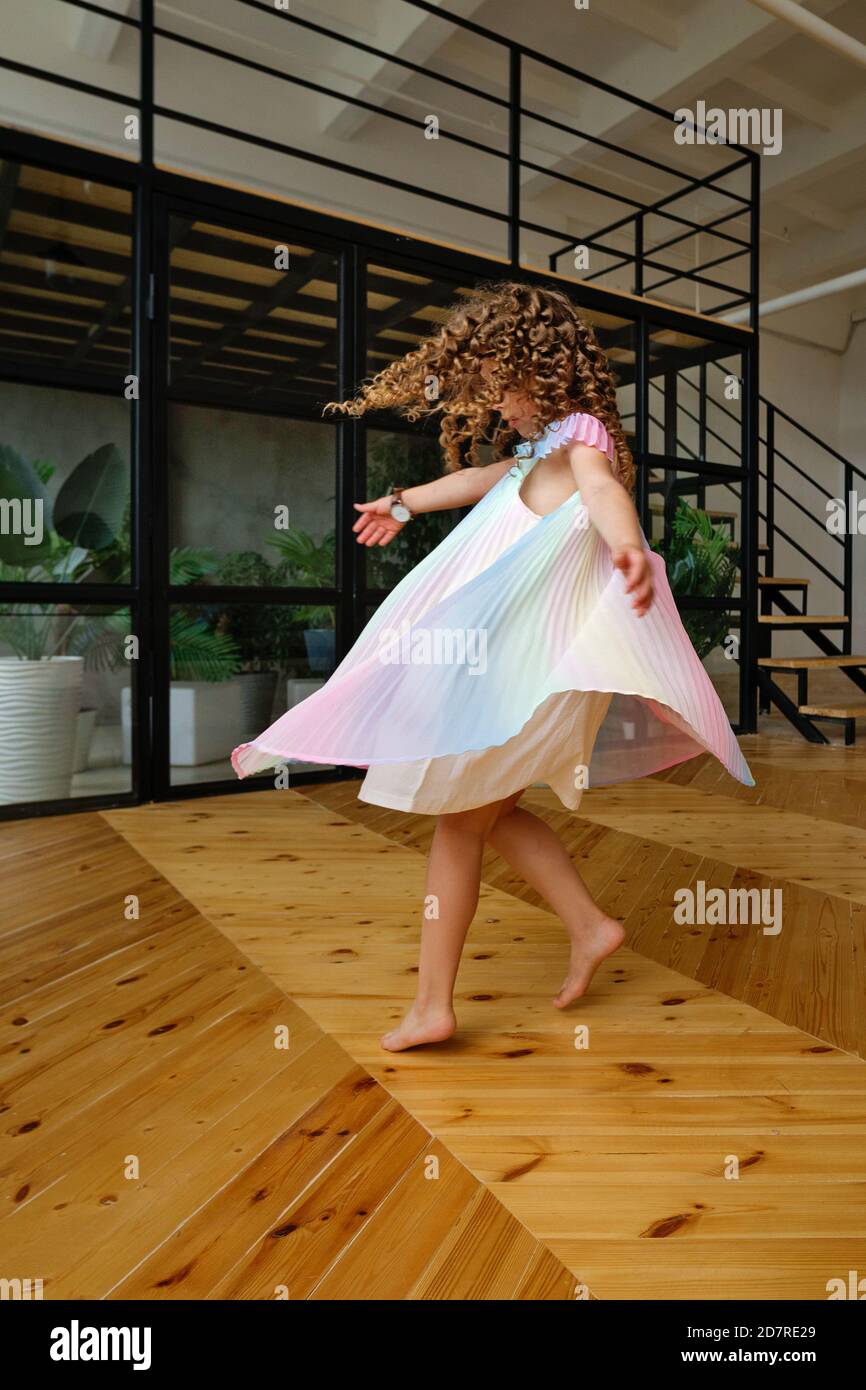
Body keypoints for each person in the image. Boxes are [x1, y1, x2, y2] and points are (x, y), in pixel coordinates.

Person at [232, 280, 753, 1051]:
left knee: (458, 821)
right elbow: (483, 480)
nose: (497, 409)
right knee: (493, 815)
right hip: (504, 676)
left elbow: (603, 489)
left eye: (501, 390)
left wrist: (630, 549)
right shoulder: (539, 454)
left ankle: (433, 1007)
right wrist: (403, 502)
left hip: (515, 679)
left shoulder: (582, 443)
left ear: (540, 374)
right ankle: (589, 925)